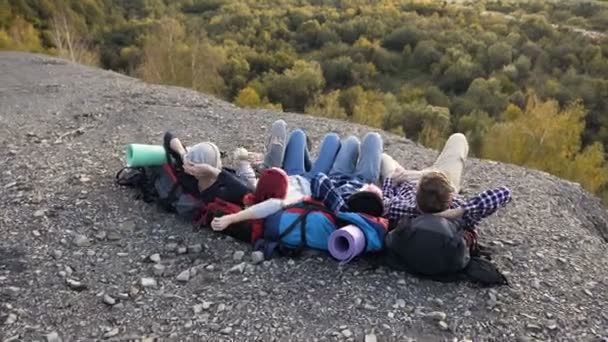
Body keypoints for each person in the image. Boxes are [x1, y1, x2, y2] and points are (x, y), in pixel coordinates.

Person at [210, 121, 342, 232]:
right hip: (313, 180)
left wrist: (246, 161)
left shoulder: (259, 189)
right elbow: (264, 208)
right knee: (333, 138)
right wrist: (231, 218)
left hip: (292, 174)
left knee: (298, 134)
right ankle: (312, 164)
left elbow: (247, 177)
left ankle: (309, 163)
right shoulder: (283, 201)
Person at [381, 133, 512, 231]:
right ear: (450, 199)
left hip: (409, 179)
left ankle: (423, 173)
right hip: (442, 179)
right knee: (458, 138)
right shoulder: (462, 212)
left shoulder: (402, 207)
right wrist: (455, 212)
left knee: (384, 158)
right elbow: (504, 193)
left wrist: (391, 181)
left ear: (416, 194)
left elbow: (384, 203)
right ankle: (426, 173)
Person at [310, 132, 385, 216]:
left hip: (338, 177)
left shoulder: (341, 208)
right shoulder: (346, 211)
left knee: (352, 141)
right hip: (363, 181)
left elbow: (318, 179)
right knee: (373, 138)